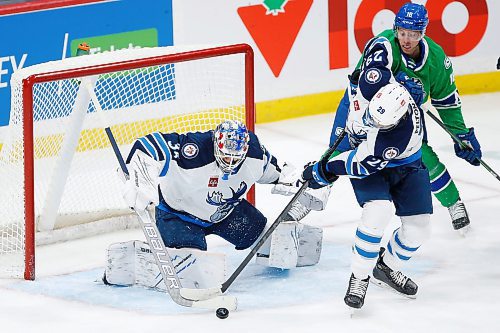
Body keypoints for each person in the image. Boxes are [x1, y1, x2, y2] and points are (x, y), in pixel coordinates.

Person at [102, 120, 326, 290]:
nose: (230, 163)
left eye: (235, 158)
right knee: (192, 271)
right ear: (216, 144)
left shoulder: (255, 154)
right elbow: (146, 146)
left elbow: (281, 174)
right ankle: (136, 260)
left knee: (272, 241)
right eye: (226, 156)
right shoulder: (193, 149)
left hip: (226, 213)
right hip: (178, 216)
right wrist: (139, 180)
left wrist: (309, 181)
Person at [328, 2, 482, 234]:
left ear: (423, 33)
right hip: (361, 107)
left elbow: (447, 101)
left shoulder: (437, 60)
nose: (407, 39)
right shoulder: (384, 45)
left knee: (423, 158)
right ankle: (308, 196)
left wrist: (460, 134)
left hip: (404, 116)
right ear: (395, 29)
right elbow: (363, 85)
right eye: (402, 33)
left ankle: (454, 203)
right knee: (337, 151)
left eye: (413, 34)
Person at [302, 80, 432, 310]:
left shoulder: (392, 140)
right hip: (380, 157)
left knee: (418, 229)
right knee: (378, 211)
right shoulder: (380, 82)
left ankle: (386, 267)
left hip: (403, 165)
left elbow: (359, 164)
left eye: (379, 123)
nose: (371, 122)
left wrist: (323, 170)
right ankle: (360, 277)